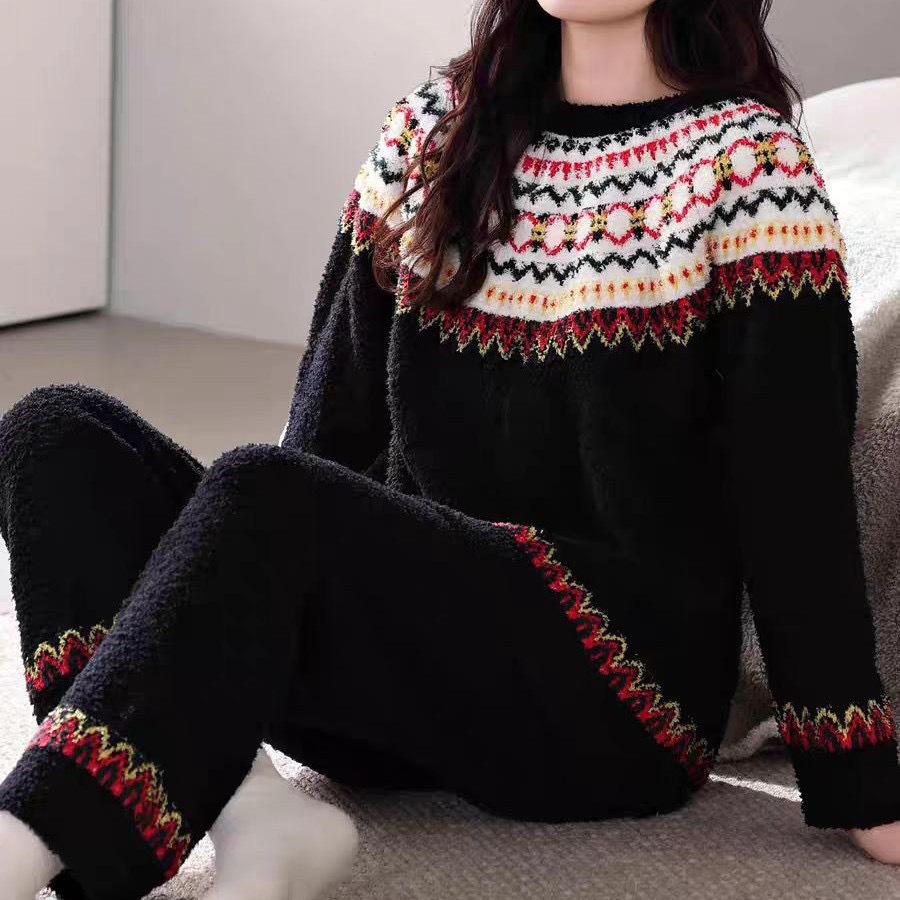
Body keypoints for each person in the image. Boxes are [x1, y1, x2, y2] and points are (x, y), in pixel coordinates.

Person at [2, 0, 900, 897]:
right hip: (409, 677)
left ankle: (34, 832)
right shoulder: (433, 133)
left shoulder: (748, 167)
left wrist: (858, 781)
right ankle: (254, 814)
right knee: (55, 431)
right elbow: (327, 440)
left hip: (609, 704)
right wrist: (260, 616)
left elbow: (796, 507)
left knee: (262, 489)